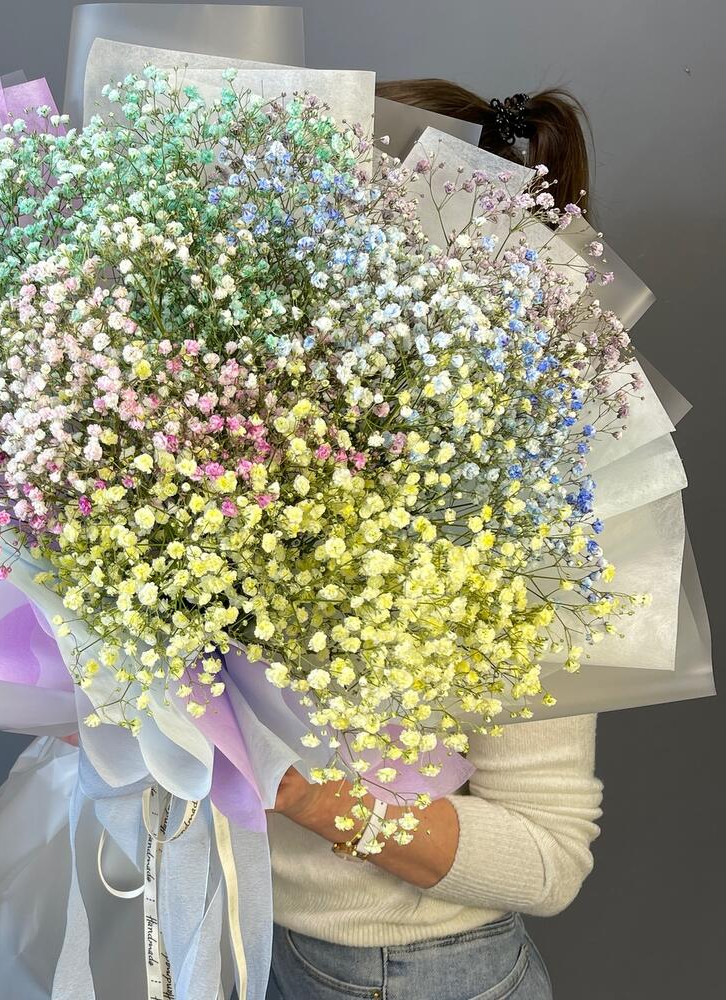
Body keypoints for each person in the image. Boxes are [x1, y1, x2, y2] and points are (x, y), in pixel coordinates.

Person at [263, 82, 604, 1000]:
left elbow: (547, 856)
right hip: (262, 943)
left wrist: (297, 791)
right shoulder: (268, 464)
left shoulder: (523, 519)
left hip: (413, 974)